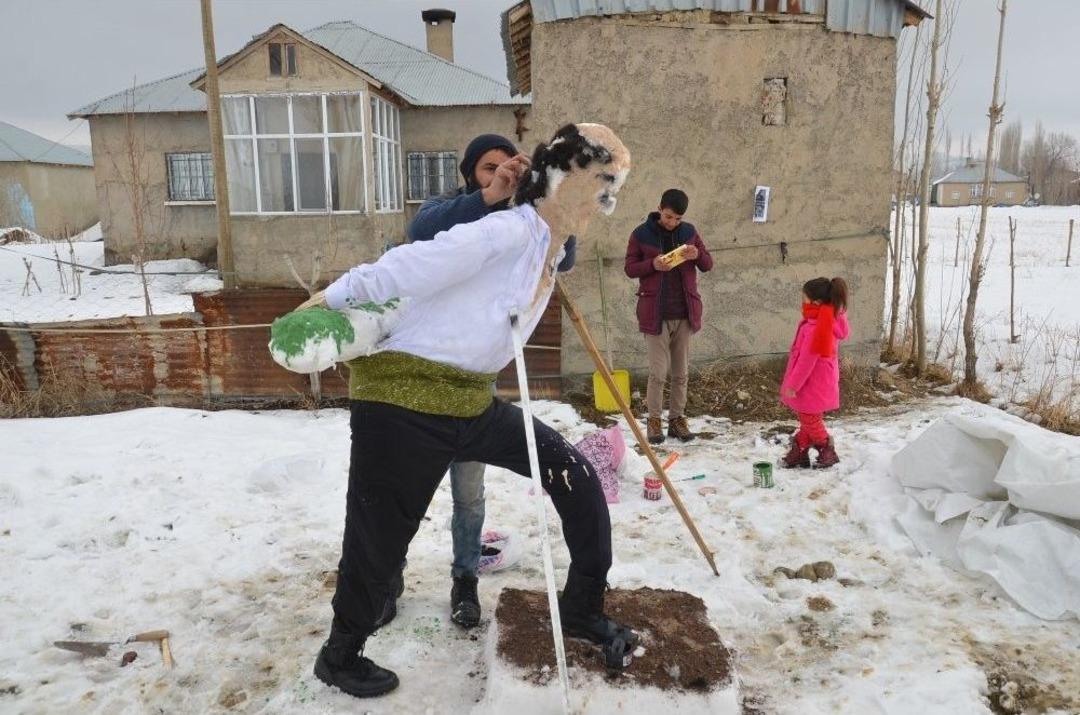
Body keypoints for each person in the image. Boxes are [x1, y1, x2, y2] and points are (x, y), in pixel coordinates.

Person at [309, 123, 636, 699]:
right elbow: (412, 260)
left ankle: (582, 608)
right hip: (402, 399)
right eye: (603, 182)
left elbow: (560, 244)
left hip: (468, 400)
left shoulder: (547, 244)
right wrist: (331, 300)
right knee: (379, 536)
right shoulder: (507, 230)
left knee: (576, 478)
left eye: (616, 184)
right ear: (562, 179)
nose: (610, 199)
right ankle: (341, 654)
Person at [405, 133, 578, 630]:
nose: (500, 173)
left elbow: (563, 258)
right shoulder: (453, 212)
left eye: (509, 167)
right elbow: (419, 229)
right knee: (409, 493)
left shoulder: (520, 224)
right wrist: (488, 196)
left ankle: (465, 581)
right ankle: (389, 580)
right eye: (488, 167)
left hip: (474, 386)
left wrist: (549, 198)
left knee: (470, 495)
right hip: (420, 383)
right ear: (470, 173)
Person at [624, 189, 713, 444]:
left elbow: (708, 264)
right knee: (658, 373)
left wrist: (698, 254)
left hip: (685, 312)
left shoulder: (690, 233)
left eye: (677, 218)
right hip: (655, 314)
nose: (672, 222)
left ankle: (677, 419)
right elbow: (630, 268)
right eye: (668, 216)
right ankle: (654, 421)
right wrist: (652, 265)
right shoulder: (641, 234)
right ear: (659, 208)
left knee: (681, 372)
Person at [779, 277, 850, 469]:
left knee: (810, 419)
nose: (802, 302)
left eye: (804, 298)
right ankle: (799, 452)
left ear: (816, 302)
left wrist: (793, 386)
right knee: (808, 419)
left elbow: (806, 361)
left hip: (813, 382)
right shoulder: (824, 319)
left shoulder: (818, 326)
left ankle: (827, 449)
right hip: (819, 380)